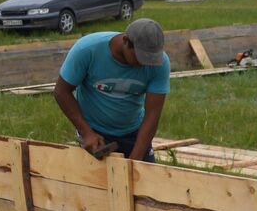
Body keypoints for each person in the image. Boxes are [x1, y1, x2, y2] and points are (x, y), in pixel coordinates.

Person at [53, 19, 170, 162]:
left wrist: (136, 158)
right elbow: (61, 91)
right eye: (140, 57)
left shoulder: (160, 63)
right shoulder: (88, 49)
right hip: (95, 130)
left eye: (149, 59)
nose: (143, 64)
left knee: (144, 181)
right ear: (126, 41)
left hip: (134, 131)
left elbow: (153, 112)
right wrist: (86, 132)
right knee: (94, 181)